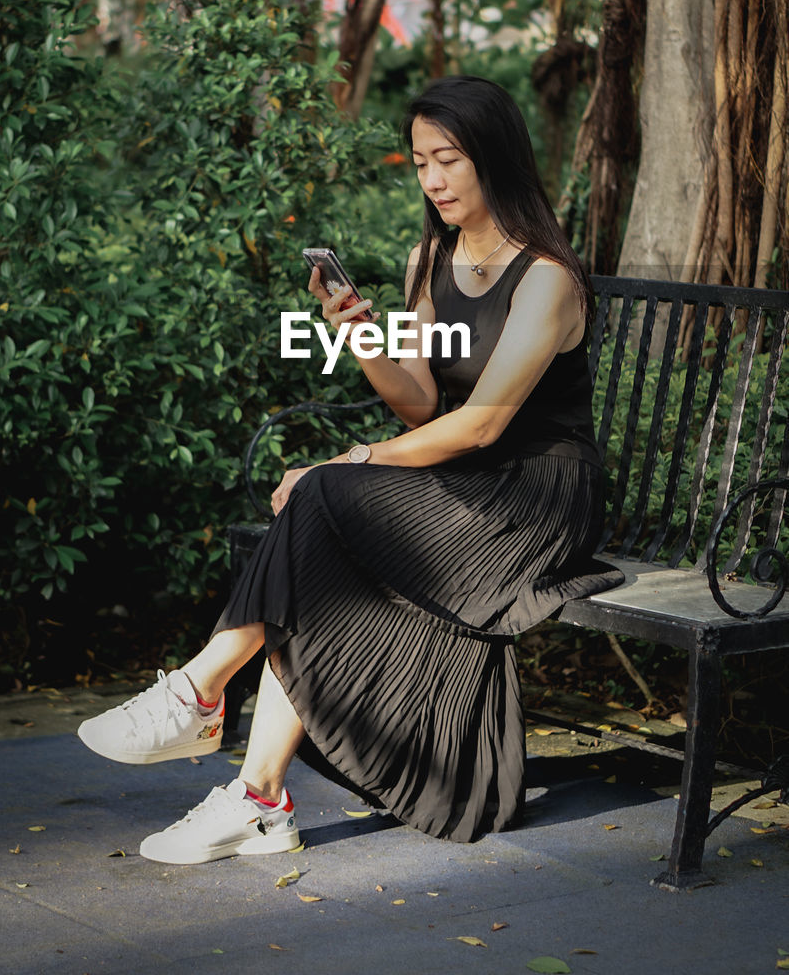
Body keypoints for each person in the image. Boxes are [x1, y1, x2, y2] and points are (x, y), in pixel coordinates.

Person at [77, 75, 624, 865]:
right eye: (419, 162)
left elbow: (483, 423)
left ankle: (202, 692)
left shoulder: (547, 277)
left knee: (323, 490)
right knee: (320, 525)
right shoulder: (429, 258)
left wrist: (354, 459)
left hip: (535, 498)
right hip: (462, 486)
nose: (432, 179)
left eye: (449, 159)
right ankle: (257, 795)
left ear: (494, 159)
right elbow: (422, 400)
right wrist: (361, 334)